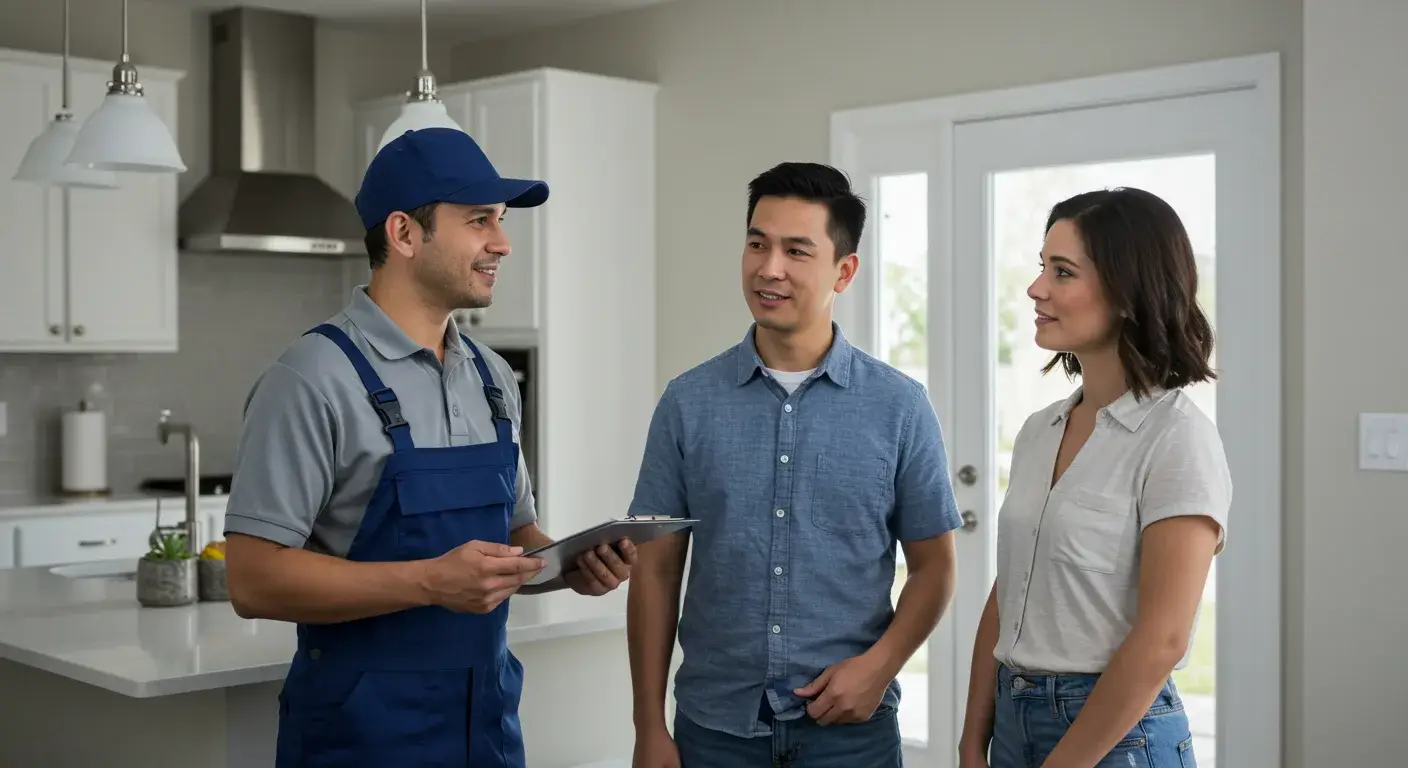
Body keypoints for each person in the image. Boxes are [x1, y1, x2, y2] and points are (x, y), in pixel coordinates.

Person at [222, 127, 636, 768]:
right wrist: (429, 582)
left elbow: (516, 535)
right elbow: (252, 580)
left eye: (499, 221)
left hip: (486, 727)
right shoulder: (311, 378)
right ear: (404, 234)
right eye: (478, 220)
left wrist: (564, 567)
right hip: (360, 737)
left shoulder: (494, 377)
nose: (501, 242)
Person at [627, 162, 963, 768]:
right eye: (757, 243)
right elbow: (654, 574)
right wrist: (647, 726)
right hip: (714, 733)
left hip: (852, 738)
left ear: (845, 269)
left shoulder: (900, 407)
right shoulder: (687, 402)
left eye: (796, 250)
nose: (768, 267)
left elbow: (935, 569)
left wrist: (877, 668)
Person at [957, 187, 1231, 768]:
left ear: (1128, 291)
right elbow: (1009, 592)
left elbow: (1163, 639)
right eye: (1041, 268)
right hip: (1012, 717)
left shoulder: (1177, 438)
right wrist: (971, 738)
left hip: (1117, 737)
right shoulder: (1039, 430)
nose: (1037, 289)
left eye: (1063, 272)